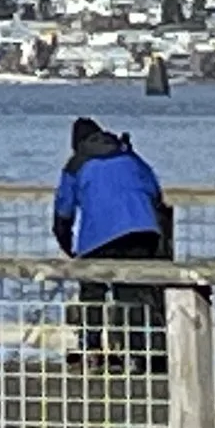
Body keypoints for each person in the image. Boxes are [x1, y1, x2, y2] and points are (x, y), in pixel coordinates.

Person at [52, 117, 172, 372]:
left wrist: (67, 245)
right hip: (143, 231)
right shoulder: (129, 156)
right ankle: (139, 355)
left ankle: (92, 351)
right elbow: (154, 191)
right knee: (134, 295)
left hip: (98, 236)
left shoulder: (76, 164)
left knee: (92, 294)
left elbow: (64, 211)